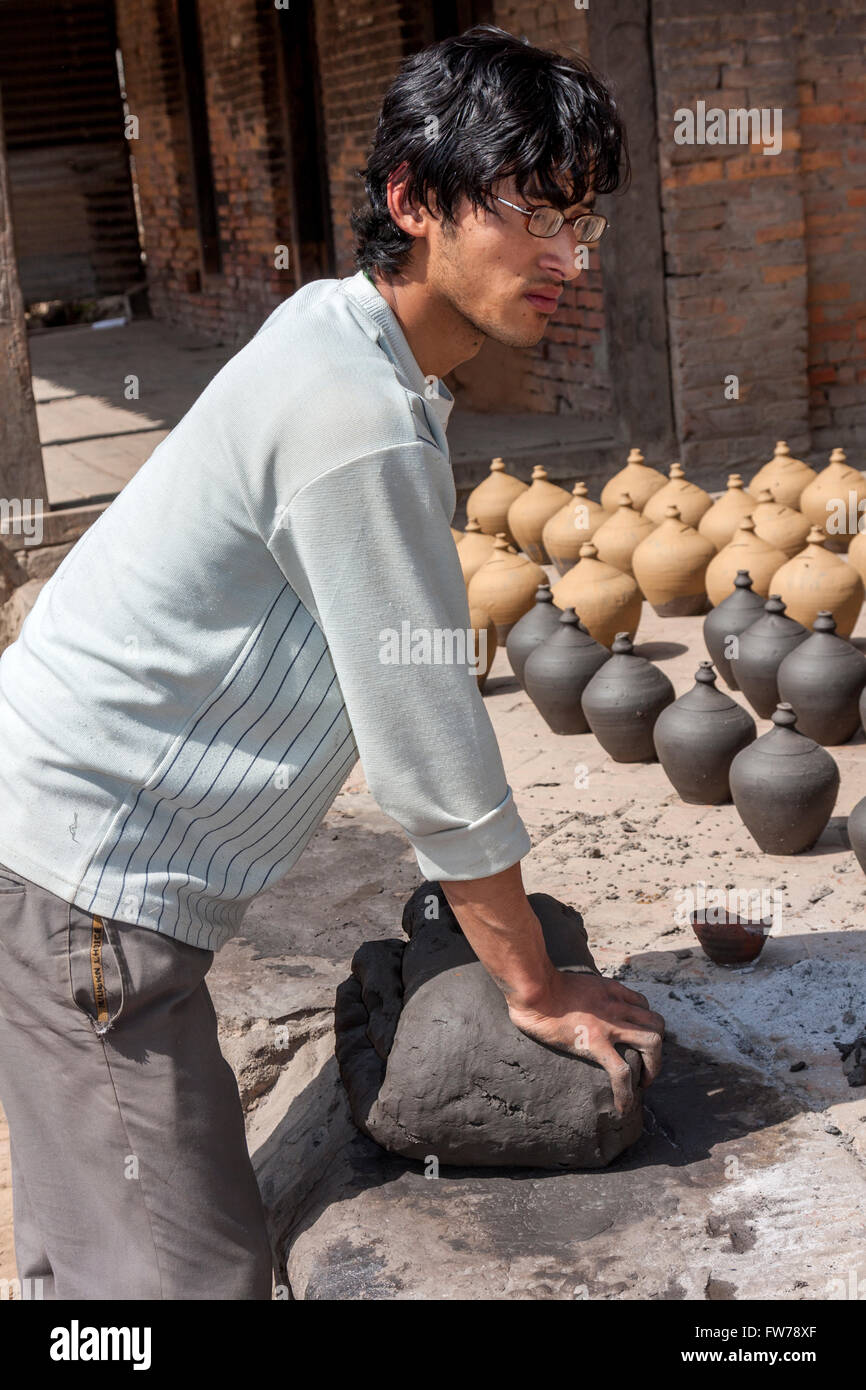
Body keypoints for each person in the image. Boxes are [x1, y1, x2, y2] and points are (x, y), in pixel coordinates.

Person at [0, 23, 664, 1300]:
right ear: (414, 201)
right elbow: (428, 745)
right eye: (530, 212)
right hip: (86, 898)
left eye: (578, 221)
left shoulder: (344, 338)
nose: (563, 259)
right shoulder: (355, 414)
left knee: (86, 1269)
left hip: (70, 868)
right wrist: (529, 982)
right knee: (186, 1285)